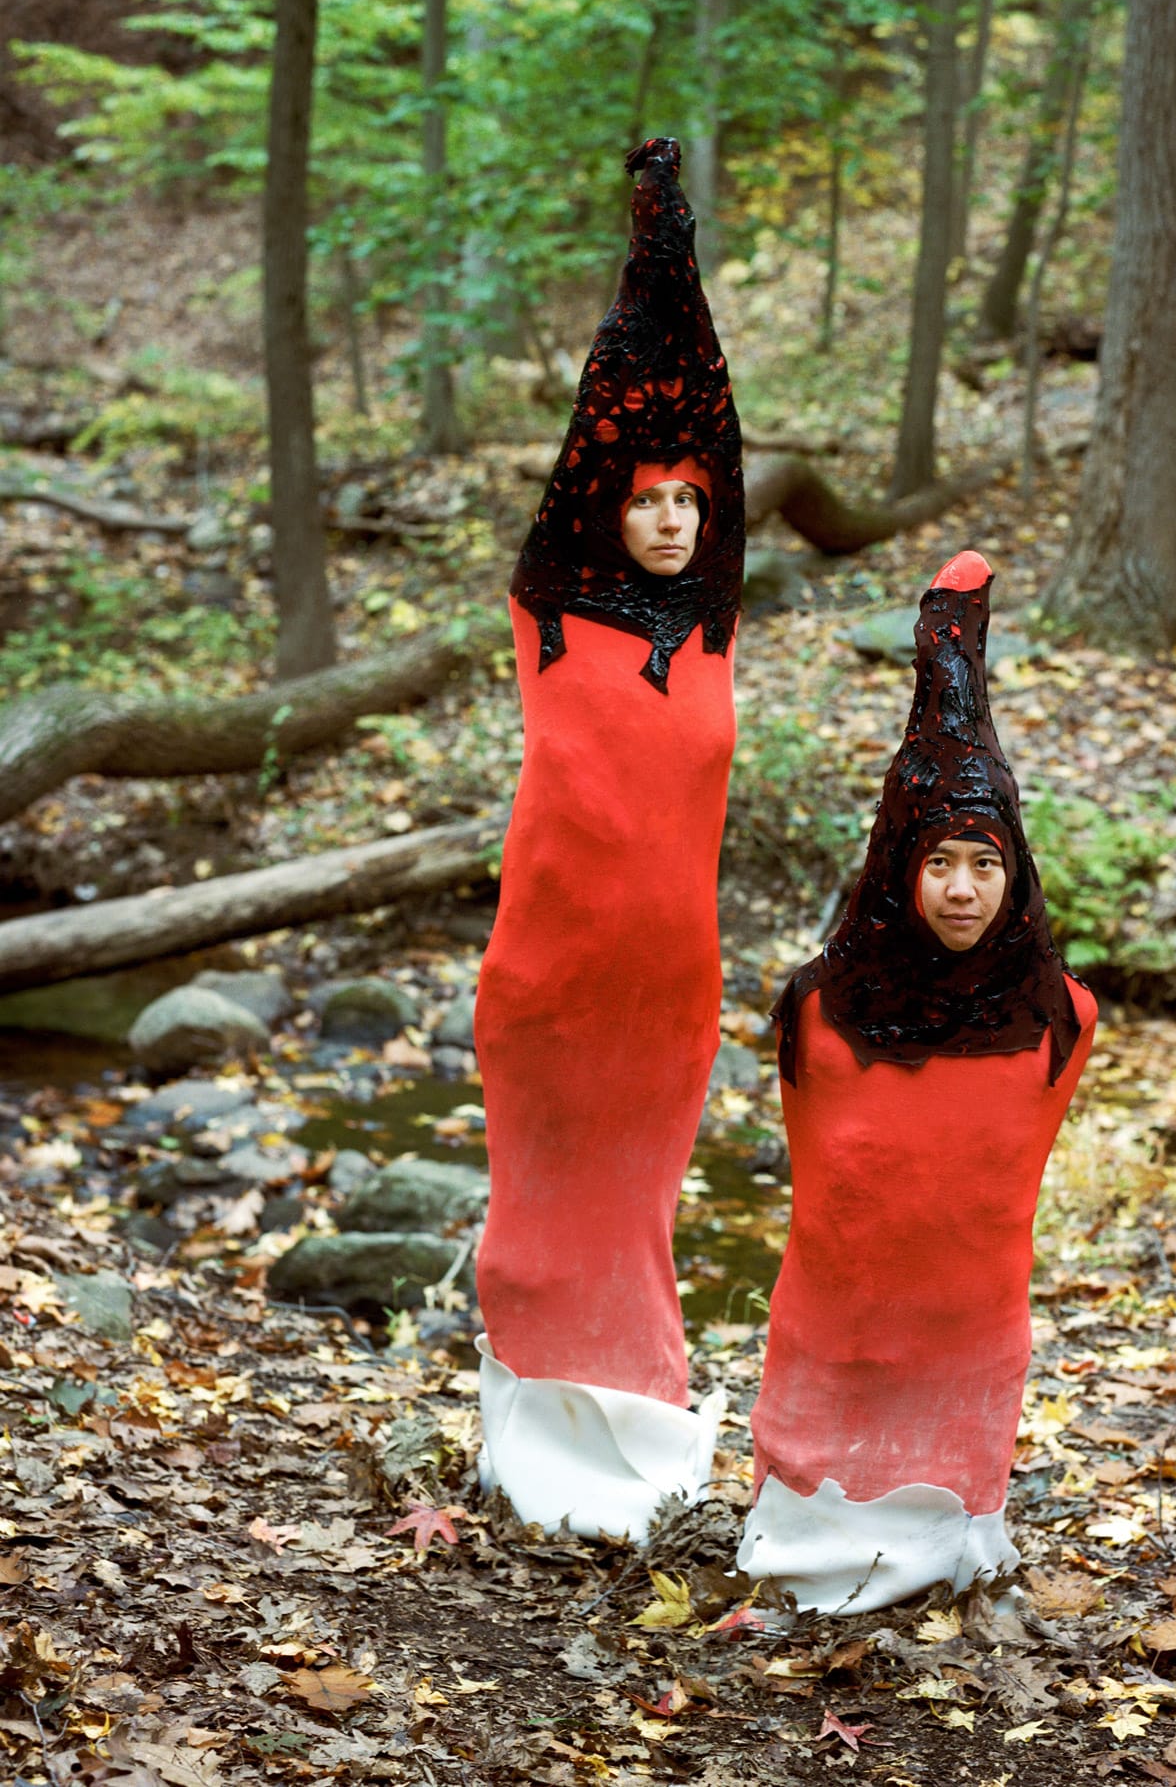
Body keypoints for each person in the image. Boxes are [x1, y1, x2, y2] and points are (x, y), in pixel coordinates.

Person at [737, 549, 1096, 1613]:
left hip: (967, 1357)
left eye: (986, 862)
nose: (963, 887)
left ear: (1016, 874)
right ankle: (811, 1537)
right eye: (940, 859)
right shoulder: (817, 1011)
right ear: (899, 868)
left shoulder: (1060, 1018)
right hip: (834, 1355)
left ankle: (948, 1540)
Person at [473, 137, 742, 1541]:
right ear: (609, 508)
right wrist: (653, 245)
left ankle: (635, 1433)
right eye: (649, 497)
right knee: (541, 1215)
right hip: (550, 977)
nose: (671, 515)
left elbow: (722, 448)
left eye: (689, 500)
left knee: (637, 1208)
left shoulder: (713, 627)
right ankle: (532, 1448)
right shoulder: (551, 611)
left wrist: (678, 275)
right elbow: (599, 436)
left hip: (667, 986)